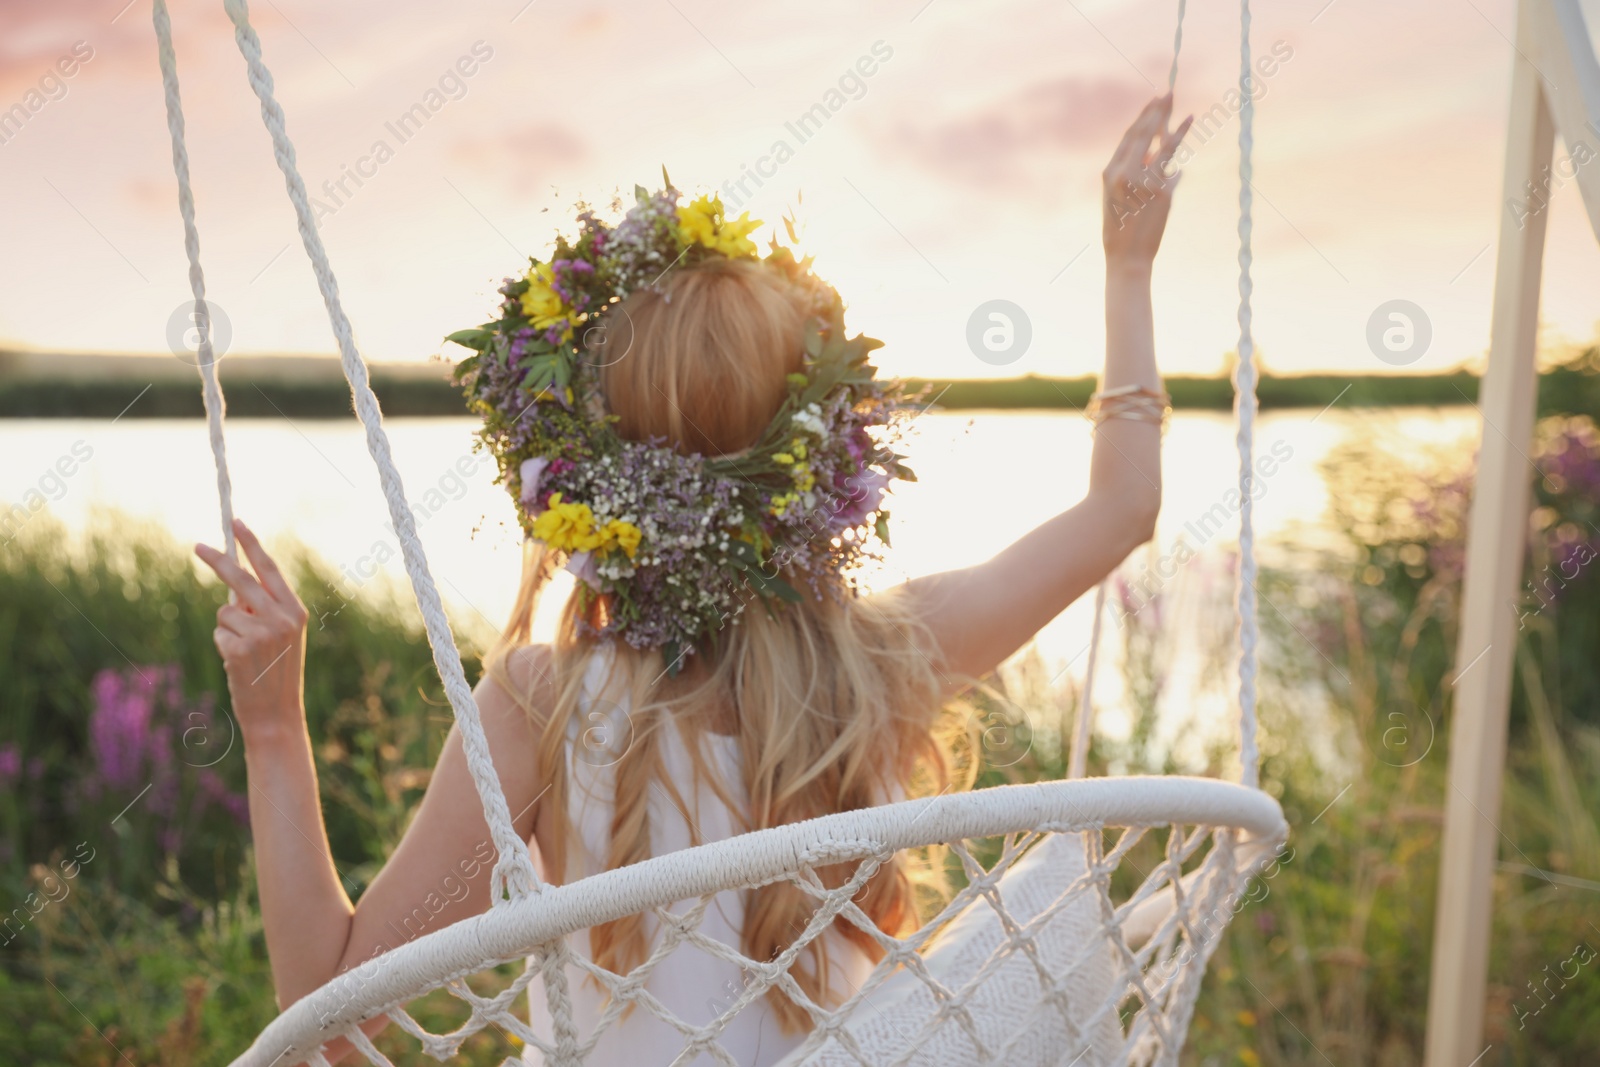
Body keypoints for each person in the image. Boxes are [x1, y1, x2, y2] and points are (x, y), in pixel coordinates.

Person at [195, 93, 1192, 1066]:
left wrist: (277, 728)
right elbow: (1120, 511)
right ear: (813, 464)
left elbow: (328, 1011)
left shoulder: (540, 706)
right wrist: (1127, 267)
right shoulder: (880, 663)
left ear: (581, 474)